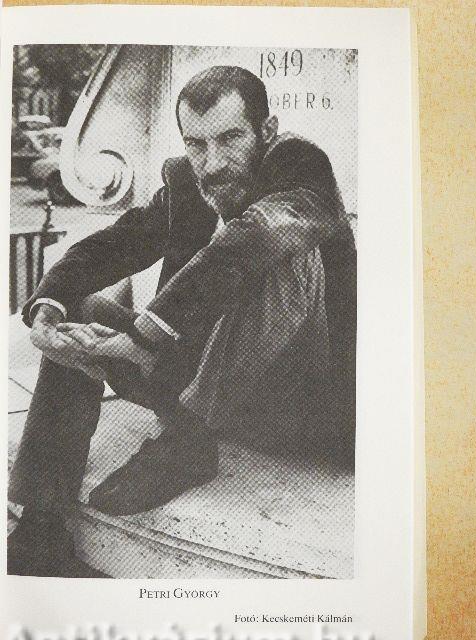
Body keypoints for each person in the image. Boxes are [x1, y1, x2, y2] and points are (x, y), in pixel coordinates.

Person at [8, 65, 356, 576]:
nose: (212, 163)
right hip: (192, 380)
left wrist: (146, 335)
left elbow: (259, 232)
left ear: (267, 130)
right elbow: (113, 245)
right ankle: (42, 521)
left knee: (280, 247)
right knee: (76, 309)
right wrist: (47, 307)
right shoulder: (186, 183)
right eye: (196, 144)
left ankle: (187, 440)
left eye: (230, 138)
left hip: (297, 408)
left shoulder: (302, 170)